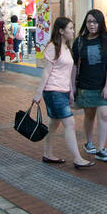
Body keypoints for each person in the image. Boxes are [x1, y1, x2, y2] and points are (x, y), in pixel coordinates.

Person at [34, 17, 89, 167]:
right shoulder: (53, 47)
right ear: (61, 31)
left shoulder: (66, 47)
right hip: (53, 91)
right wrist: (38, 93)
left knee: (53, 124)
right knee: (69, 123)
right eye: (70, 28)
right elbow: (47, 71)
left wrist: (70, 90)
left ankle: (48, 153)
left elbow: (68, 71)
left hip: (62, 91)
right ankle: (77, 158)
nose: (73, 31)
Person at [68, 10, 107, 161]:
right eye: (89, 21)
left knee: (103, 115)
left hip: (103, 85)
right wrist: (72, 86)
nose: (92, 25)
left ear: (100, 23)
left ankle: (101, 149)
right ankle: (89, 143)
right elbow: (74, 66)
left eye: (95, 22)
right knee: (89, 115)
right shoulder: (80, 41)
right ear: (86, 23)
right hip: (86, 85)